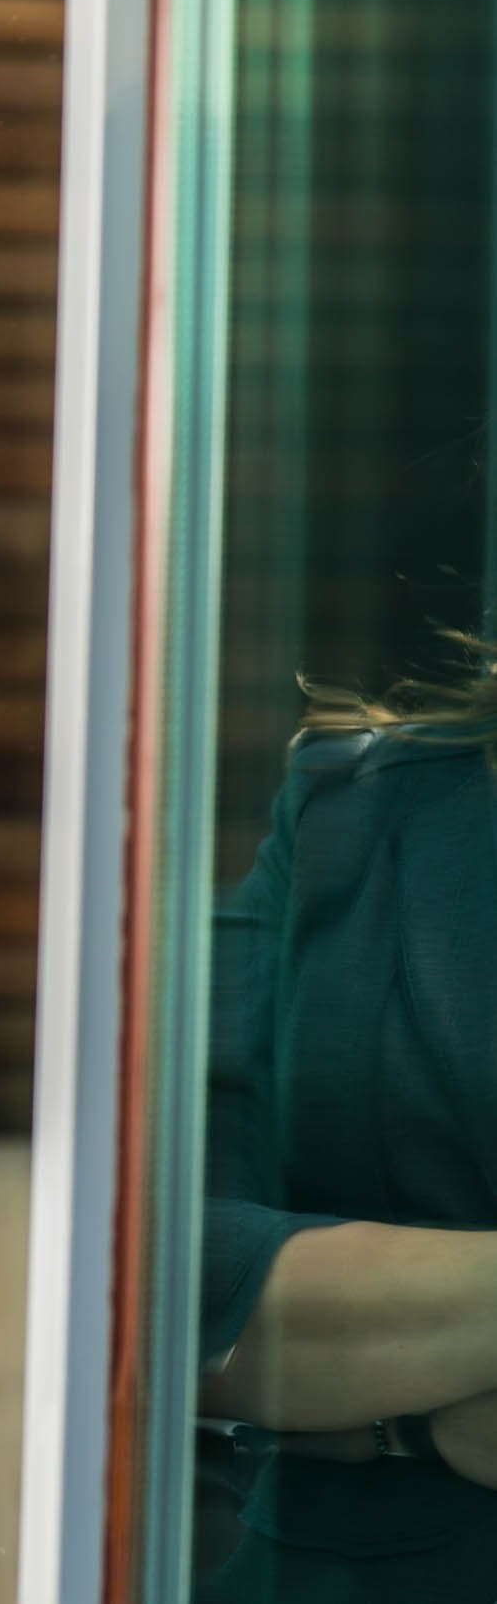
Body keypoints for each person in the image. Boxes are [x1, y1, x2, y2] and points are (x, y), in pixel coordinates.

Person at [193, 632, 497, 1598]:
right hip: (354, 1568)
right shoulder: (348, 807)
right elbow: (154, 1263)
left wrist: (404, 1391)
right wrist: (425, 1430)